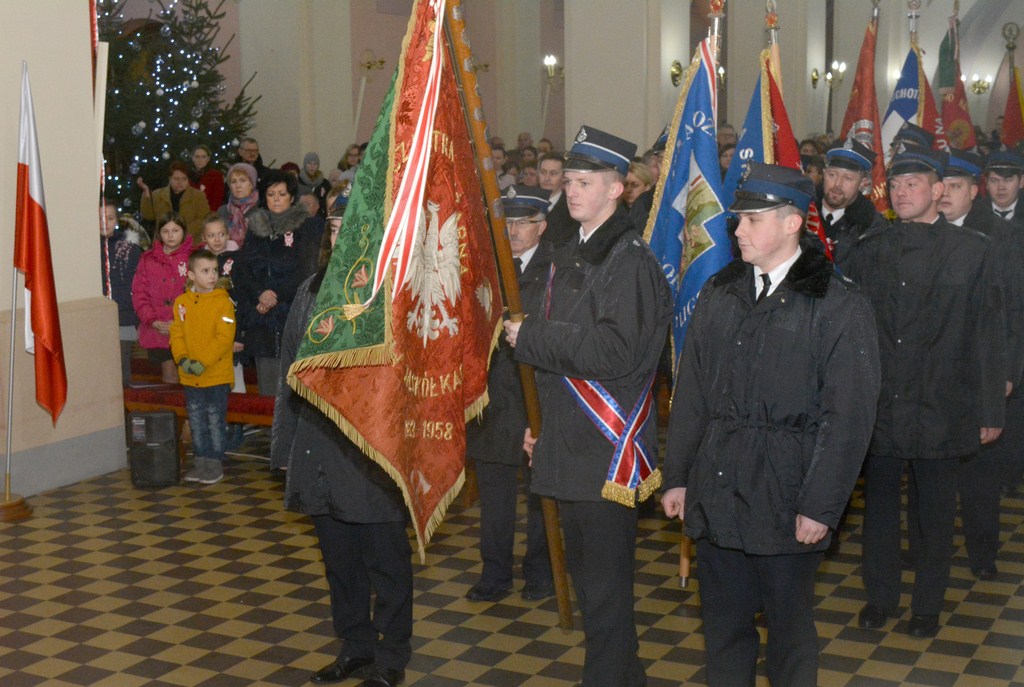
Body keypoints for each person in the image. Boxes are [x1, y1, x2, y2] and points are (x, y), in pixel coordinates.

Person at [662, 163, 880, 687]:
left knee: (789, 636)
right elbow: (691, 390)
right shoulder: (722, 290)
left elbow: (848, 416)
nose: (736, 231)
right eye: (739, 220)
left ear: (791, 223)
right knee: (724, 632)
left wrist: (820, 505)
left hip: (787, 496)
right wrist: (677, 475)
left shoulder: (836, 301)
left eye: (751, 221)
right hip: (717, 486)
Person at [503, 125, 673, 687]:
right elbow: (563, 361)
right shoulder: (568, 253)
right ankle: (624, 677)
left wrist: (532, 337)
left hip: (604, 451)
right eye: (568, 181)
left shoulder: (628, 261)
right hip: (568, 444)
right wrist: (542, 426)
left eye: (583, 182)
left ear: (618, 188)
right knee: (589, 582)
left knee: (604, 589)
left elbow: (614, 352)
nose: (571, 192)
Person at [847, 144, 1006, 638]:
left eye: (912, 184)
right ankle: (880, 599)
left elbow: (988, 333)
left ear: (939, 192)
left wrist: (990, 407)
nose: (901, 192)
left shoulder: (974, 251)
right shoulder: (871, 248)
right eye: (894, 185)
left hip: (944, 403)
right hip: (885, 404)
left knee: (935, 516)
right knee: (879, 514)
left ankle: (927, 606)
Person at [272, 208, 412, 687]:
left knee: (386, 562)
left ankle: (391, 656)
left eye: (350, 225)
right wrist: (285, 446)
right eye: (333, 227)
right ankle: (356, 646)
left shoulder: (391, 291)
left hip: (371, 451)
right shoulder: (311, 289)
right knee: (340, 563)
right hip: (317, 447)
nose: (341, 234)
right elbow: (289, 369)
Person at [934, 148, 1024, 575]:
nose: (946, 194)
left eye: (955, 186)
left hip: (981, 371)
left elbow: (1013, 313)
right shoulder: (924, 232)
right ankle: (927, 549)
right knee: (931, 471)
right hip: (935, 373)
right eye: (942, 186)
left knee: (980, 472)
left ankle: (982, 552)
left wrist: (1006, 373)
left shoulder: (1001, 239)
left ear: (974, 190)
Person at [465, 185, 554, 603]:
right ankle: (494, 573)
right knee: (495, 495)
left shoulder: (557, 271)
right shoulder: (487, 269)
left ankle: (541, 572)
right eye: (508, 223)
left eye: (523, 223)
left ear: (542, 226)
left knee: (542, 494)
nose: (514, 230)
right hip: (494, 400)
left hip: (538, 396)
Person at [233, 169, 317, 397]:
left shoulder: (304, 227)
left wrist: (274, 296)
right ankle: (270, 430)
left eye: (282, 194)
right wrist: (260, 294)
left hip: (291, 310)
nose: (277, 199)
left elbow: (306, 270)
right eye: (271, 194)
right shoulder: (255, 227)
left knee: (294, 382)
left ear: (291, 197)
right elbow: (244, 269)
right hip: (261, 314)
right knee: (267, 384)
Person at [169, 248, 236, 485]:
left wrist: (202, 362)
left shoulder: (223, 303)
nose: (211, 276)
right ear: (190, 274)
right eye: (205, 271)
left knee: (215, 420)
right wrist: (183, 358)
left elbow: (224, 338)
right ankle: (200, 463)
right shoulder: (181, 303)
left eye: (214, 271)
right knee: (196, 419)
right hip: (190, 376)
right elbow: (176, 333)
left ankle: (214, 464)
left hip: (215, 375)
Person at [132, 212, 194, 384]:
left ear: (183, 232)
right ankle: (173, 409)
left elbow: (198, 294)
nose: (171, 235)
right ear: (160, 233)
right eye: (166, 231)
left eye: (175, 230)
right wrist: (152, 320)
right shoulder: (147, 260)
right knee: (168, 372)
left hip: (185, 326)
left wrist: (179, 322)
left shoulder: (193, 258)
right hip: (158, 326)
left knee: (190, 372)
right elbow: (139, 293)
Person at [819, 139, 885, 270]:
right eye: (832, 175)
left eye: (848, 178)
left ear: (863, 183)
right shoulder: (802, 213)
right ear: (824, 173)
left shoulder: (872, 228)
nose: (837, 184)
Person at [100, 199, 141, 385]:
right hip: (95, 317)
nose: (104, 222)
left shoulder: (129, 249)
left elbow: (135, 284)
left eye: (109, 217)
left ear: (116, 220)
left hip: (123, 317)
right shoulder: (86, 249)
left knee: (121, 370)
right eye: (100, 217)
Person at [138, 161, 212, 238]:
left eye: (184, 179)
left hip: (190, 243)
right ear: (170, 179)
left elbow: (203, 219)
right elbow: (148, 215)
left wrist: (181, 233)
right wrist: (146, 193)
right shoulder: (158, 194)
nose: (180, 182)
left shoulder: (198, 195)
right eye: (176, 179)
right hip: (163, 242)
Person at [217, 163, 260, 249]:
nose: (238, 186)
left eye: (242, 180)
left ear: (252, 184)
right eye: (233, 181)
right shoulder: (222, 211)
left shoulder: (261, 210)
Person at [978, 149, 1024, 228]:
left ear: (1021, 182)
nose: (1001, 187)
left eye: (1008, 180)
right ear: (986, 183)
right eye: (994, 181)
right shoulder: (975, 213)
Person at [538, 152, 574, 247]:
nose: (546, 178)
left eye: (553, 173)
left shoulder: (571, 207)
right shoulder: (529, 202)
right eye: (543, 172)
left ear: (563, 177)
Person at [189, 144, 225, 211]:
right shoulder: (186, 175)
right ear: (192, 158)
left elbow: (217, 200)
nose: (200, 160)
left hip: (208, 214)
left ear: (208, 159)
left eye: (203, 157)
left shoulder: (216, 176)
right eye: (197, 157)